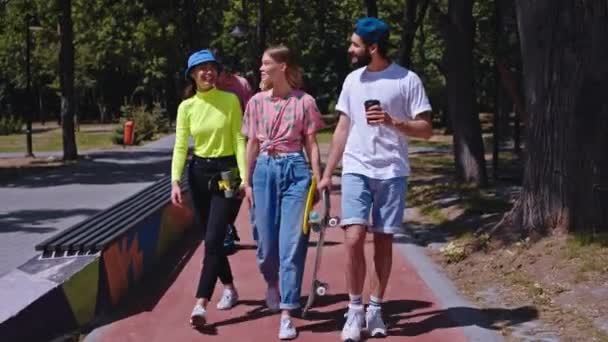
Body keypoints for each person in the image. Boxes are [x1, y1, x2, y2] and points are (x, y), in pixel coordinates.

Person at [316, 18, 433, 341]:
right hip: (356, 168)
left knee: (383, 241)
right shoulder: (352, 81)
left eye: (355, 44)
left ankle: (375, 309)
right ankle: (354, 311)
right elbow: (342, 128)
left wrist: (395, 122)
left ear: (373, 47)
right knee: (353, 238)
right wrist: (327, 173)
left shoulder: (407, 80)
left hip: (392, 171)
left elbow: (426, 128)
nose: (350, 49)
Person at [242, 45, 325, 340]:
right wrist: (247, 181)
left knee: (292, 244)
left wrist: (318, 179)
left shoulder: (305, 102)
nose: (261, 68)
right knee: (265, 246)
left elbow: (312, 144)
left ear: (283, 66)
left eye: (266, 63)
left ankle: (288, 311)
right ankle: (272, 284)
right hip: (264, 170)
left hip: (296, 172)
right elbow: (251, 143)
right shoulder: (254, 103)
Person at [170, 49, 247, 328]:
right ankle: (229, 287)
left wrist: (245, 177)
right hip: (199, 173)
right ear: (192, 74)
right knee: (210, 238)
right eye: (201, 68)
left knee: (215, 237)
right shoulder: (186, 107)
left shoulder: (230, 101)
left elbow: (239, 139)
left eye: (212, 67)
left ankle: (201, 303)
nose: (207, 72)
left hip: (227, 172)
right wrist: (175, 180)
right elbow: (180, 146)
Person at [215, 51, 254, 254]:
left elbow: (251, 111)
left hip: (239, 145)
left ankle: (227, 225)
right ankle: (226, 229)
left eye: (217, 72)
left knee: (236, 191)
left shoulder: (241, 85)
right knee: (226, 191)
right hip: (219, 148)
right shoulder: (210, 86)